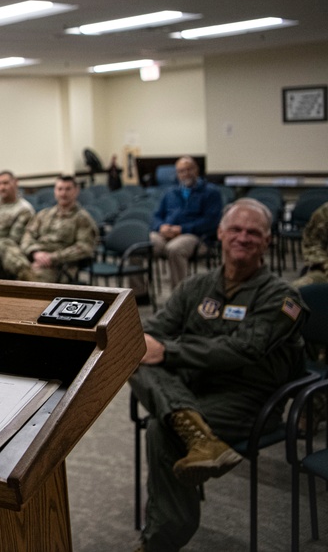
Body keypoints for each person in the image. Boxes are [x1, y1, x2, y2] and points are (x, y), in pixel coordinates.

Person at [129, 198, 306, 552]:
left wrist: (171, 351)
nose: (243, 237)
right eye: (235, 230)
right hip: (194, 388)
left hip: (249, 400)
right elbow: (159, 327)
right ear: (221, 234)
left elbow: (245, 349)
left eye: (253, 232)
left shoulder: (284, 297)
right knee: (131, 354)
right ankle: (192, 429)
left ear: (267, 241)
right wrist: (140, 341)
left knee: (161, 430)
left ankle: (160, 541)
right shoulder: (196, 286)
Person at [0, 175, 98, 282]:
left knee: (10, 275)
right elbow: (28, 235)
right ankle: (27, 274)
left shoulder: (82, 219)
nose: (63, 193)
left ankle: (25, 277)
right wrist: (35, 253)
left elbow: (84, 248)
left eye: (68, 189)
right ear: (55, 191)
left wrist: (51, 258)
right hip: (33, 258)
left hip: (57, 265)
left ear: (76, 191)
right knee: (4, 244)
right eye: (60, 189)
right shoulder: (44, 214)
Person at [146, 157, 223, 292]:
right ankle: (139, 294)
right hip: (168, 233)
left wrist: (182, 229)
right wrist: (161, 227)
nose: (185, 174)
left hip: (196, 236)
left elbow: (211, 222)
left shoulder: (211, 192)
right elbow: (157, 216)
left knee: (175, 249)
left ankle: (179, 295)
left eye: (189, 169)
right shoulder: (171, 192)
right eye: (181, 171)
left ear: (196, 170)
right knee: (141, 244)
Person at [293, 200, 328, 288]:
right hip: (325, 271)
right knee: (291, 295)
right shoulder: (325, 212)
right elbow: (312, 243)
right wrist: (324, 263)